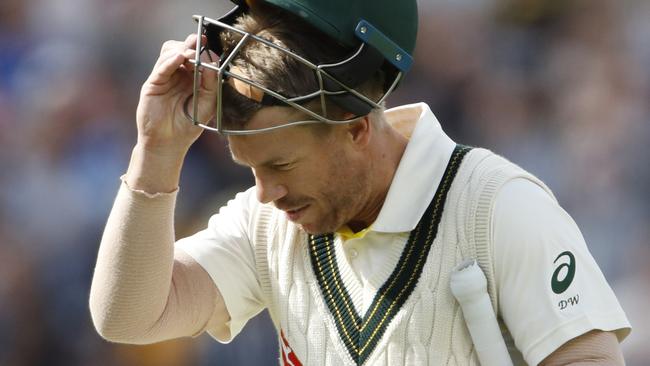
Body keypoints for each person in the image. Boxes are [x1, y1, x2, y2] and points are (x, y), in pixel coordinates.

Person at [89, 0, 631, 365]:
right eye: (250, 168)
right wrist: (155, 152)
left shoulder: (498, 207)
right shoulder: (266, 224)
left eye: (280, 166)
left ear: (355, 127)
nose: (263, 192)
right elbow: (130, 317)